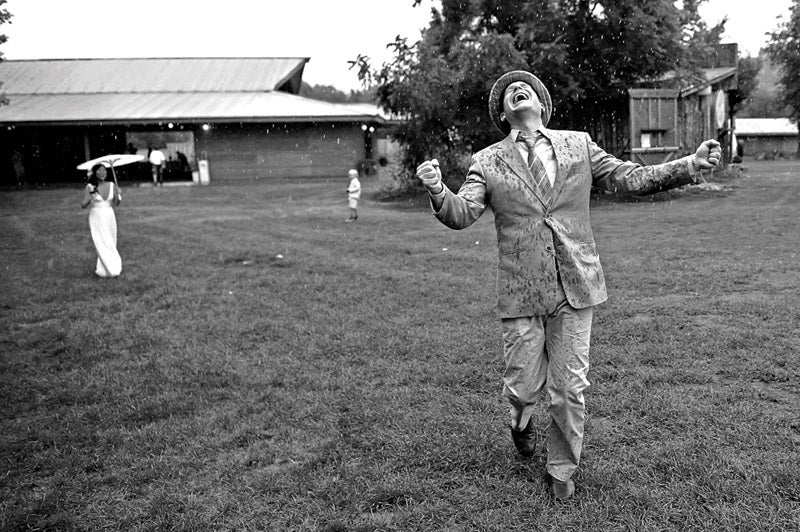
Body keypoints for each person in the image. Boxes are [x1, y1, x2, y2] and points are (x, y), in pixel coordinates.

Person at [415, 70, 721, 501]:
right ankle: (519, 421)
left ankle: (561, 469)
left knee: (569, 388)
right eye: (506, 93)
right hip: (521, 291)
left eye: (523, 88)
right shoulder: (487, 160)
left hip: (577, 284)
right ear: (504, 113)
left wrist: (689, 164)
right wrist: (436, 190)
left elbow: (629, 177)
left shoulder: (579, 144)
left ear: (541, 102)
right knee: (522, 387)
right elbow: (462, 213)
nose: (514, 90)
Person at [81, 163, 122, 278]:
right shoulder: (90, 187)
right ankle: (112, 269)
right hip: (96, 216)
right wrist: (89, 198)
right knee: (101, 240)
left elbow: (116, 204)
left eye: (104, 170)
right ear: (95, 173)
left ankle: (103, 269)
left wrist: (118, 195)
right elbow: (83, 204)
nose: (102, 172)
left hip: (109, 215)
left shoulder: (112, 185)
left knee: (111, 240)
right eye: (99, 170)